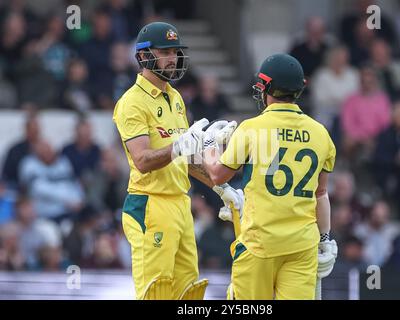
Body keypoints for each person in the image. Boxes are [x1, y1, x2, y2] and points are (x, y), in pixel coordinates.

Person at [112, 22, 239, 300]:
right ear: (145, 56)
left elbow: (185, 158)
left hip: (181, 205)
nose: (173, 58)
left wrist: (220, 186)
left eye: (175, 52)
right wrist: (178, 146)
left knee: (188, 294)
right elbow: (143, 160)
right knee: (155, 293)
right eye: (166, 52)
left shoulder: (176, 97)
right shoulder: (131, 102)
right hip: (150, 203)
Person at [203, 54, 338, 299]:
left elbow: (216, 175)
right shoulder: (321, 133)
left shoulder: (252, 128)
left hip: (259, 243)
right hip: (301, 245)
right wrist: (325, 237)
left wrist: (210, 145)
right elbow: (321, 193)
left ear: (268, 87)